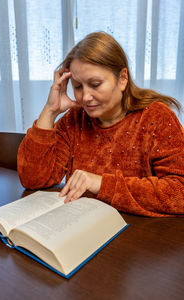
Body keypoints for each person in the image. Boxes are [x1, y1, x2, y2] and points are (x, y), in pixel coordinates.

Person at [17, 31, 184, 217]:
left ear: (122, 79)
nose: (86, 97)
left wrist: (100, 184)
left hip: (138, 234)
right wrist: (50, 110)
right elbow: (32, 179)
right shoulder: (75, 119)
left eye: (95, 84)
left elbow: (179, 193)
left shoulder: (157, 117)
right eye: (78, 87)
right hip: (80, 226)